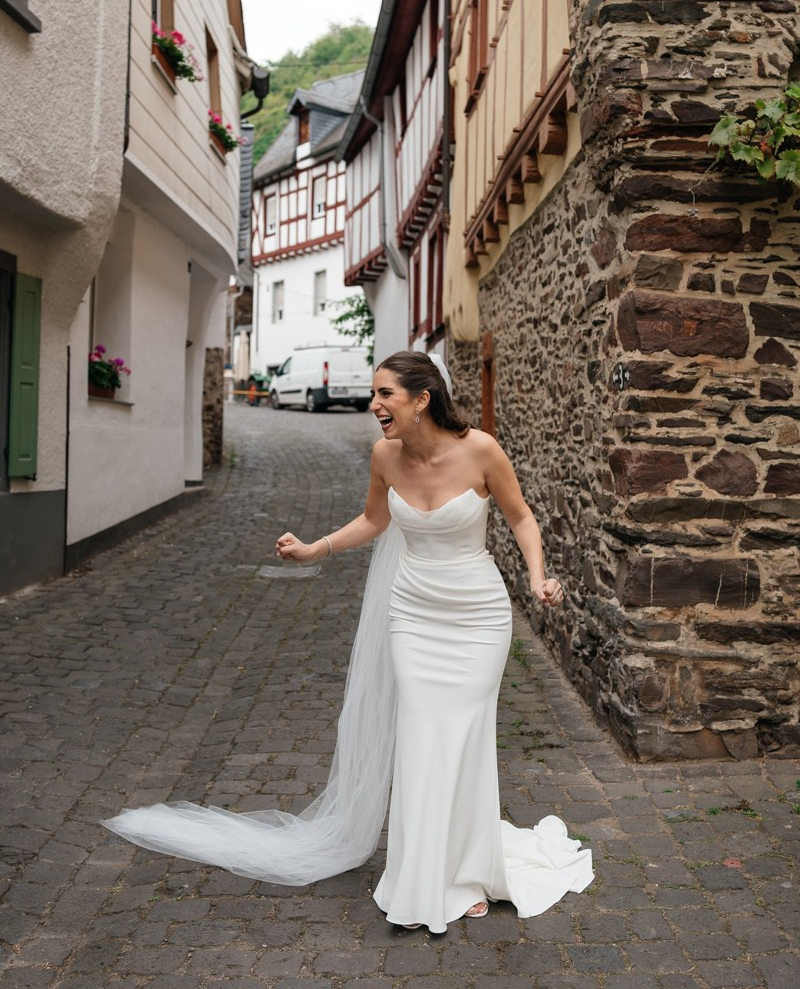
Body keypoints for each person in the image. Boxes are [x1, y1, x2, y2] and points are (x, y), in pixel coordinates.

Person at [102, 352, 592, 933]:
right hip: (412, 614)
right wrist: (317, 548)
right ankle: (421, 875)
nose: (375, 406)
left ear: (421, 399)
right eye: (374, 395)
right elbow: (375, 520)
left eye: (386, 394)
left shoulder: (481, 450)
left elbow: (522, 518)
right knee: (420, 737)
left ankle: (465, 872)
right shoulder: (385, 455)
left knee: (462, 739)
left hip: (477, 617)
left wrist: (537, 576)